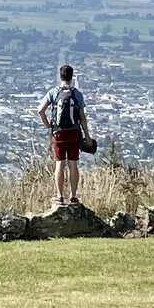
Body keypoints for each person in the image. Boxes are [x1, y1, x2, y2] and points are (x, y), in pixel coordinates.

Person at [39, 64, 90, 205]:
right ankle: (73, 196)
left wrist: (48, 125)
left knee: (59, 164)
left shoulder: (53, 92)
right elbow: (82, 117)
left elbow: (40, 110)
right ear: (71, 77)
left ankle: (60, 196)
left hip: (58, 134)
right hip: (74, 133)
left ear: (60, 76)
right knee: (73, 164)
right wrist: (87, 136)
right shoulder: (77, 94)